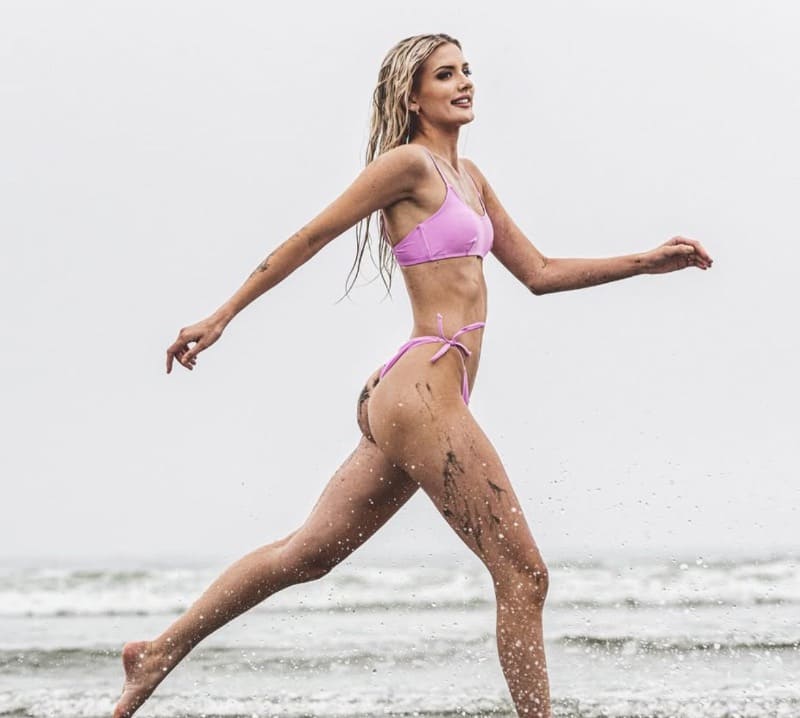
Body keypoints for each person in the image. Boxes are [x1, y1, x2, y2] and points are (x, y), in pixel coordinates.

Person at [113, 33, 712, 718]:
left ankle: (157, 652)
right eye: (446, 74)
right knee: (524, 574)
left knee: (306, 555)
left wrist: (644, 262)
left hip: (418, 397)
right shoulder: (408, 165)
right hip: (421, 390)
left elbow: (539, 274)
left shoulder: (471, 178)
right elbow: (311, 237)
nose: (465, 83)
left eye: (467, 71)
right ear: (412, 94)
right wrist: (222, 315)